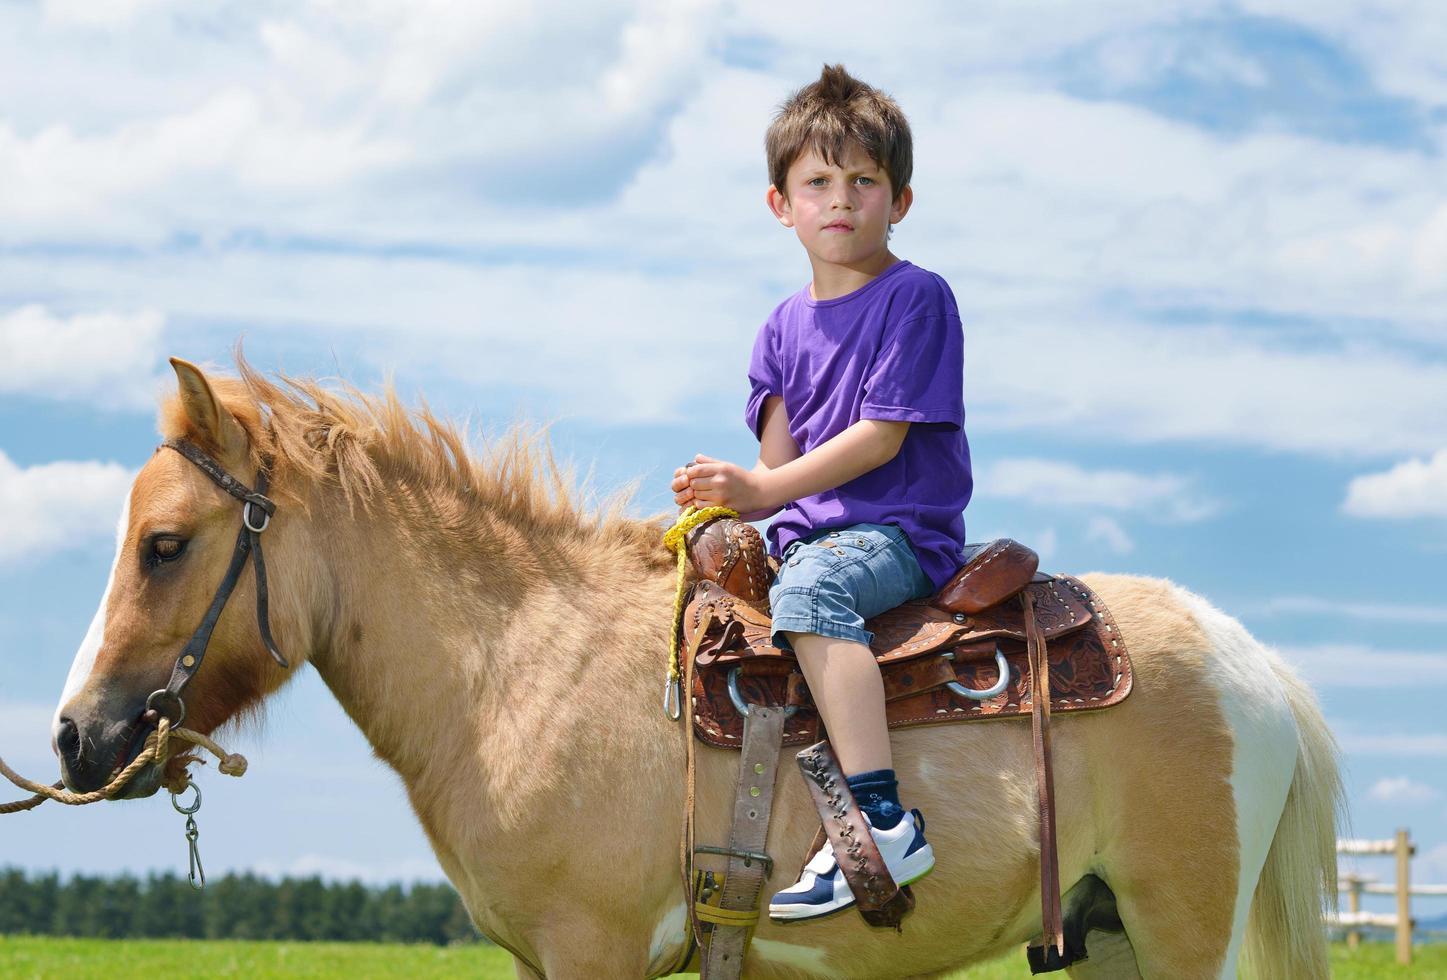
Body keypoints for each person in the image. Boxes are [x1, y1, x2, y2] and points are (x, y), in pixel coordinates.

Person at [670, 63, 971, 922]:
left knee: (809, 590)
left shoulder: (916, 298)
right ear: (780, 203)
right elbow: (774, 473)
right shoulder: (777, 326)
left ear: (899, 200)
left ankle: (881, 822)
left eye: (863, 181)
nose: (840, 200)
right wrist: (725, 494)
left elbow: (881, 437)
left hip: (896, 534)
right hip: (807, 534)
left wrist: (762, 485)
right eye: (817, 182)